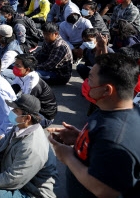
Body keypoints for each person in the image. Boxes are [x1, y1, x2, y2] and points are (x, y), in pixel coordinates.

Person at [48, 53, 140, 198]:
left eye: (90, 78)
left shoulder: (115, 138)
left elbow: (105, 190)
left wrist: (68, 157)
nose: (86, 82)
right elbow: (105, 151)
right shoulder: (111, 110)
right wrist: (80, 137)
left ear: (107, 90)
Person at [0, 94, 58, 198]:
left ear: (27, 118)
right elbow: (0, 145)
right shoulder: (20, 126)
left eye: (16, 111)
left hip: (31, 190)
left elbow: (12, 180)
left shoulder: (32, 146)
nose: (11, 112)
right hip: (15, 173)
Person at [11, 54, 58, 128]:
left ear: (27, 69)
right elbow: (12, 91)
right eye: (15, 64)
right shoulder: (21, 75)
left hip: (44, 117)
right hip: (34, 109)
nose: (15, 67)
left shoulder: (33, 84)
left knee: (15, 119)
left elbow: (26, 107)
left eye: (18, 66)